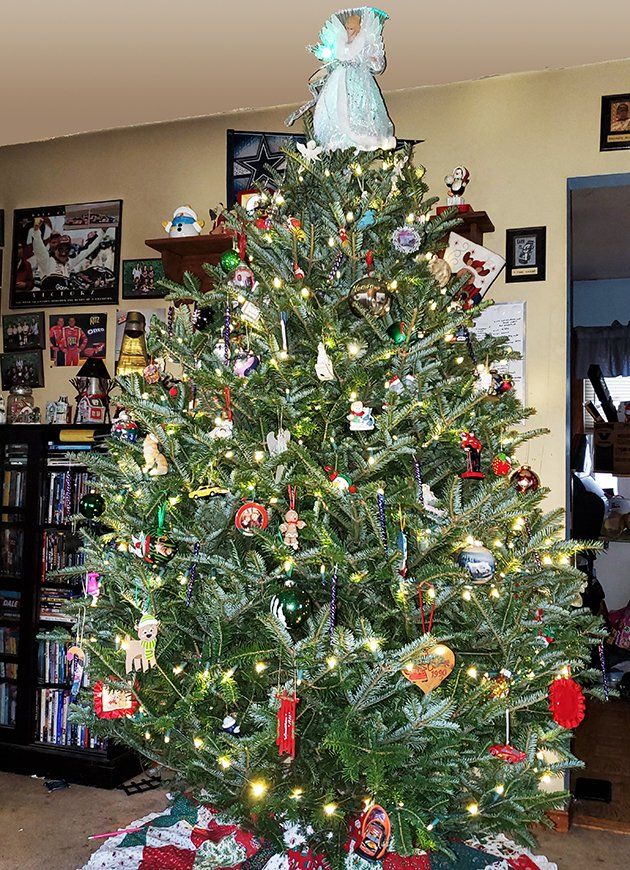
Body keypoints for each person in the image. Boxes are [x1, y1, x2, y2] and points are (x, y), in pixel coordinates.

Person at [32, 217, 102, 283]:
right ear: (56, 249)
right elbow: (39, 248)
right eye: (61, 248)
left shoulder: (70, 262)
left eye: (67, 248)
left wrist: (103, 231)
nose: (64, 251)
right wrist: (36, 230)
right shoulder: (47, 262)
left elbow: (89, 249)